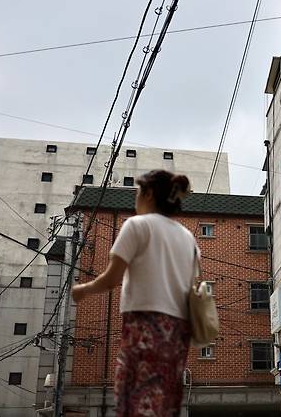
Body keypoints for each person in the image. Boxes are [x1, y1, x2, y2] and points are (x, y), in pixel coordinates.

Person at [72, 169, 196, 417]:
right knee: (163, 404)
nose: (135, 198)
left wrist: (83, 289)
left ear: (149, 194)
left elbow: (111, 279)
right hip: (177, 333)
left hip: (144, 327)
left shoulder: (137, 225)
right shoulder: (188, 237)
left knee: (136, 402)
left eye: (138, 192)